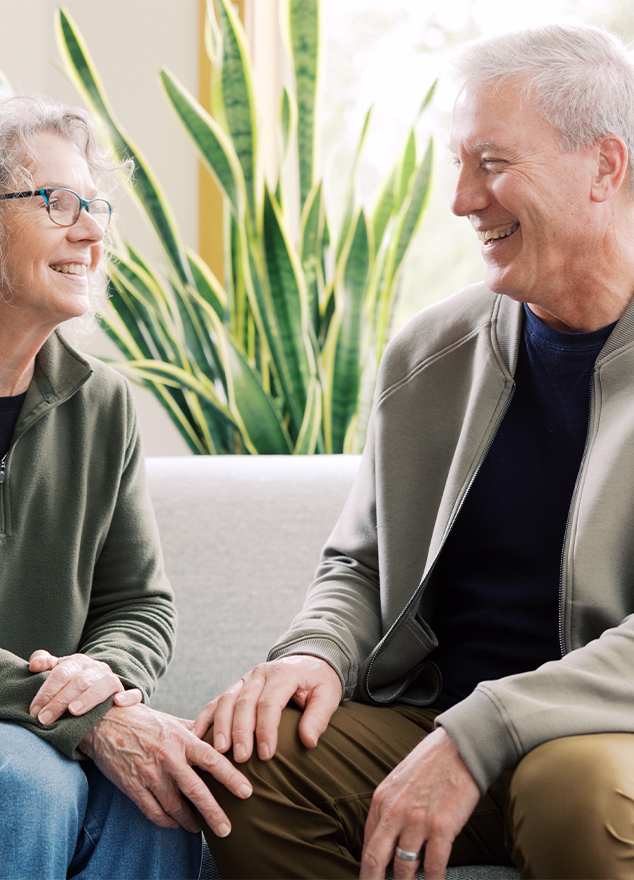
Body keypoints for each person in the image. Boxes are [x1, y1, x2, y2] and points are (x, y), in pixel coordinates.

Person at [193, 22, 634, 880]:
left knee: (573, 790)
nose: (463, 201)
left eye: (493, 165)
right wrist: (313, 653)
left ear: (605, 167)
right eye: (458, 167)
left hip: (603, 736)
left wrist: (481, 734)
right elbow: (358, 566)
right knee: (249, 764)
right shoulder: (430, 356)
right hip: (436, 715)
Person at [0, 94, 251, 880]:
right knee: (19, 779)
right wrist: (88, 717)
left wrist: (102, 672)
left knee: (159, 794)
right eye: (58, 202)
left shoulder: (101, 403)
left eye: (95, 205)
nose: (94, 231)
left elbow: (139, 604)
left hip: (27, 719)